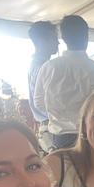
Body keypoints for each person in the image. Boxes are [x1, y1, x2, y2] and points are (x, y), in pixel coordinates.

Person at [34, 15, 94, 149]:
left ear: (63, 38)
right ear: (86, 36)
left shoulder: (49, 67)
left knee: (65, 169)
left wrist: (59, 114)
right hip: (91, 135)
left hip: (60, 136)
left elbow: (39, 102)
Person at [27, 21, 58, 152]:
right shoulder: (42, 68)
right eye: (54, 38)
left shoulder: (39, 65)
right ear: (42, 40)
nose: (58, 43)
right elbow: (46, 102)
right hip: (51, 127)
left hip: (48, 126)